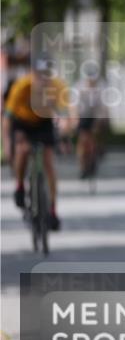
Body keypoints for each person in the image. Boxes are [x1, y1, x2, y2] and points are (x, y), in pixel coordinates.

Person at [4, 57, 70, 231]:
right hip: (22, 122)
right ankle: (19, 185)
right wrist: (7, 144)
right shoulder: (22, 86)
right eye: (39, 74)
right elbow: (7, 119)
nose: (43, 79)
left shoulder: (56, 86)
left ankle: (53, 210)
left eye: (46, 74)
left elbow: (65, 114)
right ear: (32, 73)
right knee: (23, 150)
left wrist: (64, 131)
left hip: (43, 122)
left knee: (48, 163)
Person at [73, 72, 108, 178]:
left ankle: (97, 150)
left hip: (95, 114)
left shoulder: (101, 87)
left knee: (95, 134)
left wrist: (101, 121)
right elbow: (74, 106)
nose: (91, 83)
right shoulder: (79, 87)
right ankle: (83, 166)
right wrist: (75, 119)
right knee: (83, 140)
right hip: (83, 114)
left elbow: (103, 107)